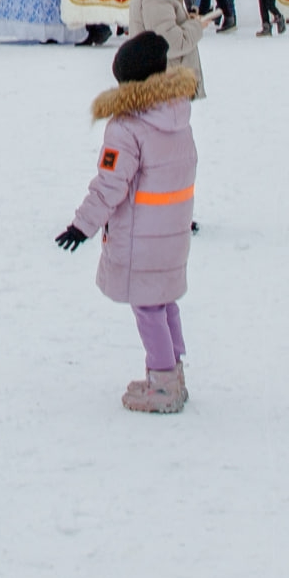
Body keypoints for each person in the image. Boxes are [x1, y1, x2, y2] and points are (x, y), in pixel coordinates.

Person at [54, 31, 198, 415]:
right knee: (163, 301)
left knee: (147, 307)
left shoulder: (127, 127)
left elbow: (111, 184)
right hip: (172, 229)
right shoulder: (176, 114)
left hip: (141, 235)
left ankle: (164, 382)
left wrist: (82, 226)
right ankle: (173, 373)